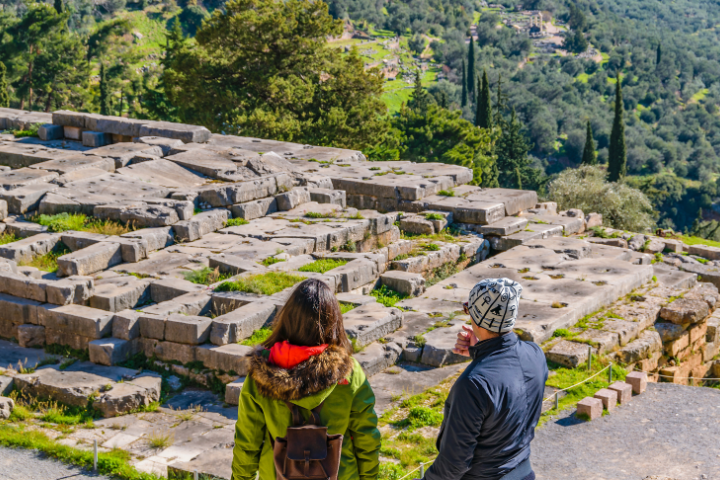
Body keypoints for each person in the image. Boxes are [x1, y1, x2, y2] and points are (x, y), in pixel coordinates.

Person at [231, 278, 381, 480]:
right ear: (334, 322)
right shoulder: (350, 374)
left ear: (288, 319)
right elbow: (367, 440)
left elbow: (247, 444)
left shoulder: (261, 373)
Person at [419, 278, 548, 480]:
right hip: (524, 473)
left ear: (477, 317)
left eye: (467, 308)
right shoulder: (535, 354)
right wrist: (479, 354)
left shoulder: (473, 385)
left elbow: (453, 464)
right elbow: (506, 382)